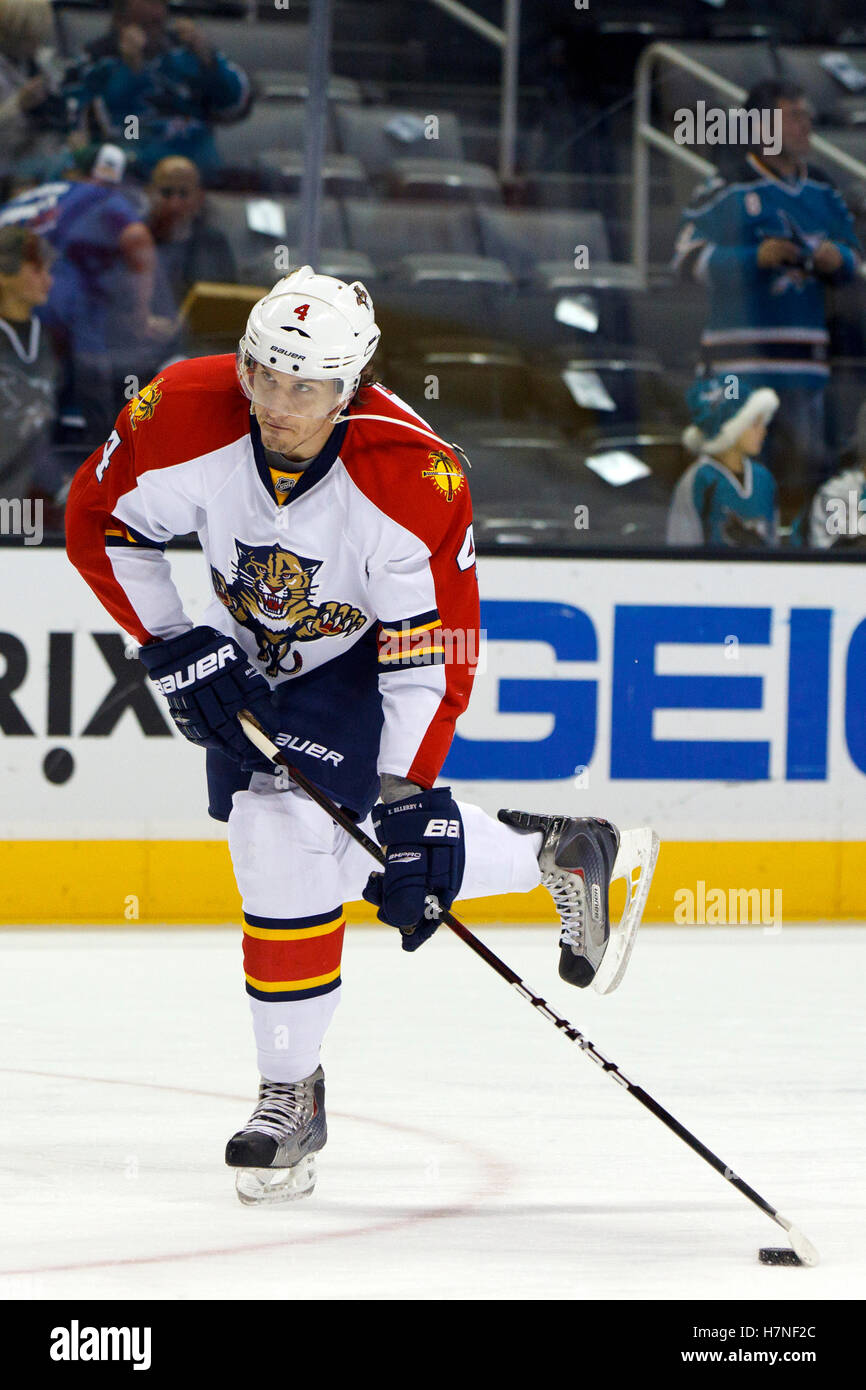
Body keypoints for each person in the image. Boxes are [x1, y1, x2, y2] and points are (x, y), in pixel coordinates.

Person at [65, 266, 657, 1205]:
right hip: (243, 649)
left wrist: (410, 797)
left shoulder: (414, 475)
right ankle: (562, 849)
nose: (277, 405)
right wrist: (173, 646)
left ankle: (289, 1093)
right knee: (324, 854)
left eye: (307, 388)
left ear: (353, 384)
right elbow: (99, 521)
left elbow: (433, 655)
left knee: (284, 833)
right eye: (263, 374)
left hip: (362, 660)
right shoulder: (180, 407)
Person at [673, 79, 862, 518]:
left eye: (807, 117)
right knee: (740, 485)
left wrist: (839, 259)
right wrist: (753, 257)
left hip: (806, 369)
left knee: (805, 483)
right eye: (793, 116)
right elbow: (684, 261)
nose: (805, 126)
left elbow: (856, 258)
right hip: (739, 368)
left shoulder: (824, 190)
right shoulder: (726, 186)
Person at [0, 143, 174, 438]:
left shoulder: (42, 193)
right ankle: (101, 451)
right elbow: (137, 239)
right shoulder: (101, 196)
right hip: (38, 288)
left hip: (13, 292)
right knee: (88, 351)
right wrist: (141, 317)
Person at [61, 0, 251, 179]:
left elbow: (234, 106)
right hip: (133, 171)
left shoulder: (186, 52)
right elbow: (123, 131)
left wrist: (209, 62)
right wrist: (131, 72)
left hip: (199, 169)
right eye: (146, 20)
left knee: (267, 179)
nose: (157, 12)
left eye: (160, 4)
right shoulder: (94, 61)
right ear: (120, 19)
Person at [667, 375, 780, 548]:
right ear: (732, 427)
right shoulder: (698, 480)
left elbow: (774, 543)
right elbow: (681, 545)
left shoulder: (763, 479)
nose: (763, 431)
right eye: (755, 423)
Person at [0, 224, 59, 500]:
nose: (48, 280)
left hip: (32, 490)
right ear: (4, 272)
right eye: (38, 270)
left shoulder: (54, 339)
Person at [147, 155, 236, 308]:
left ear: (199, 197)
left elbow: (229, 300)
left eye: (183, 194)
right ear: (150, 193)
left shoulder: (215, 244)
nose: (174, 204)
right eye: (166, 193)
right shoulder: (133, 240)